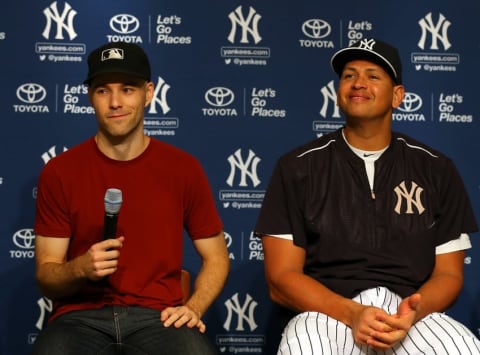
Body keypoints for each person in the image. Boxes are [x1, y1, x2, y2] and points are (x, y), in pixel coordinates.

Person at [255, 38, 480, 354]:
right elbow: (281, 278)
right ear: (338, 94)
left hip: (408, 314)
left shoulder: (436, 168)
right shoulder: (298, 167)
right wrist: (352, 312)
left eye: (373, 75)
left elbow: (449, 274)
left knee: (464, 349)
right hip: (327, 312)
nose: (358, 83)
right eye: (349, 75)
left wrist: (414, 310)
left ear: (397, 96)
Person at [32, 42, 230, 355]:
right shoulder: (60, 172)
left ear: (148, 93)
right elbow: (46, 274)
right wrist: (79, 268)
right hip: (79, 318)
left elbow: (217, 257)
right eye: (102, 91)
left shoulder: (183, 168)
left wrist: (193, 308)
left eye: (127, 89)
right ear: (90, 97)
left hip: (158, 318)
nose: (114, 102)